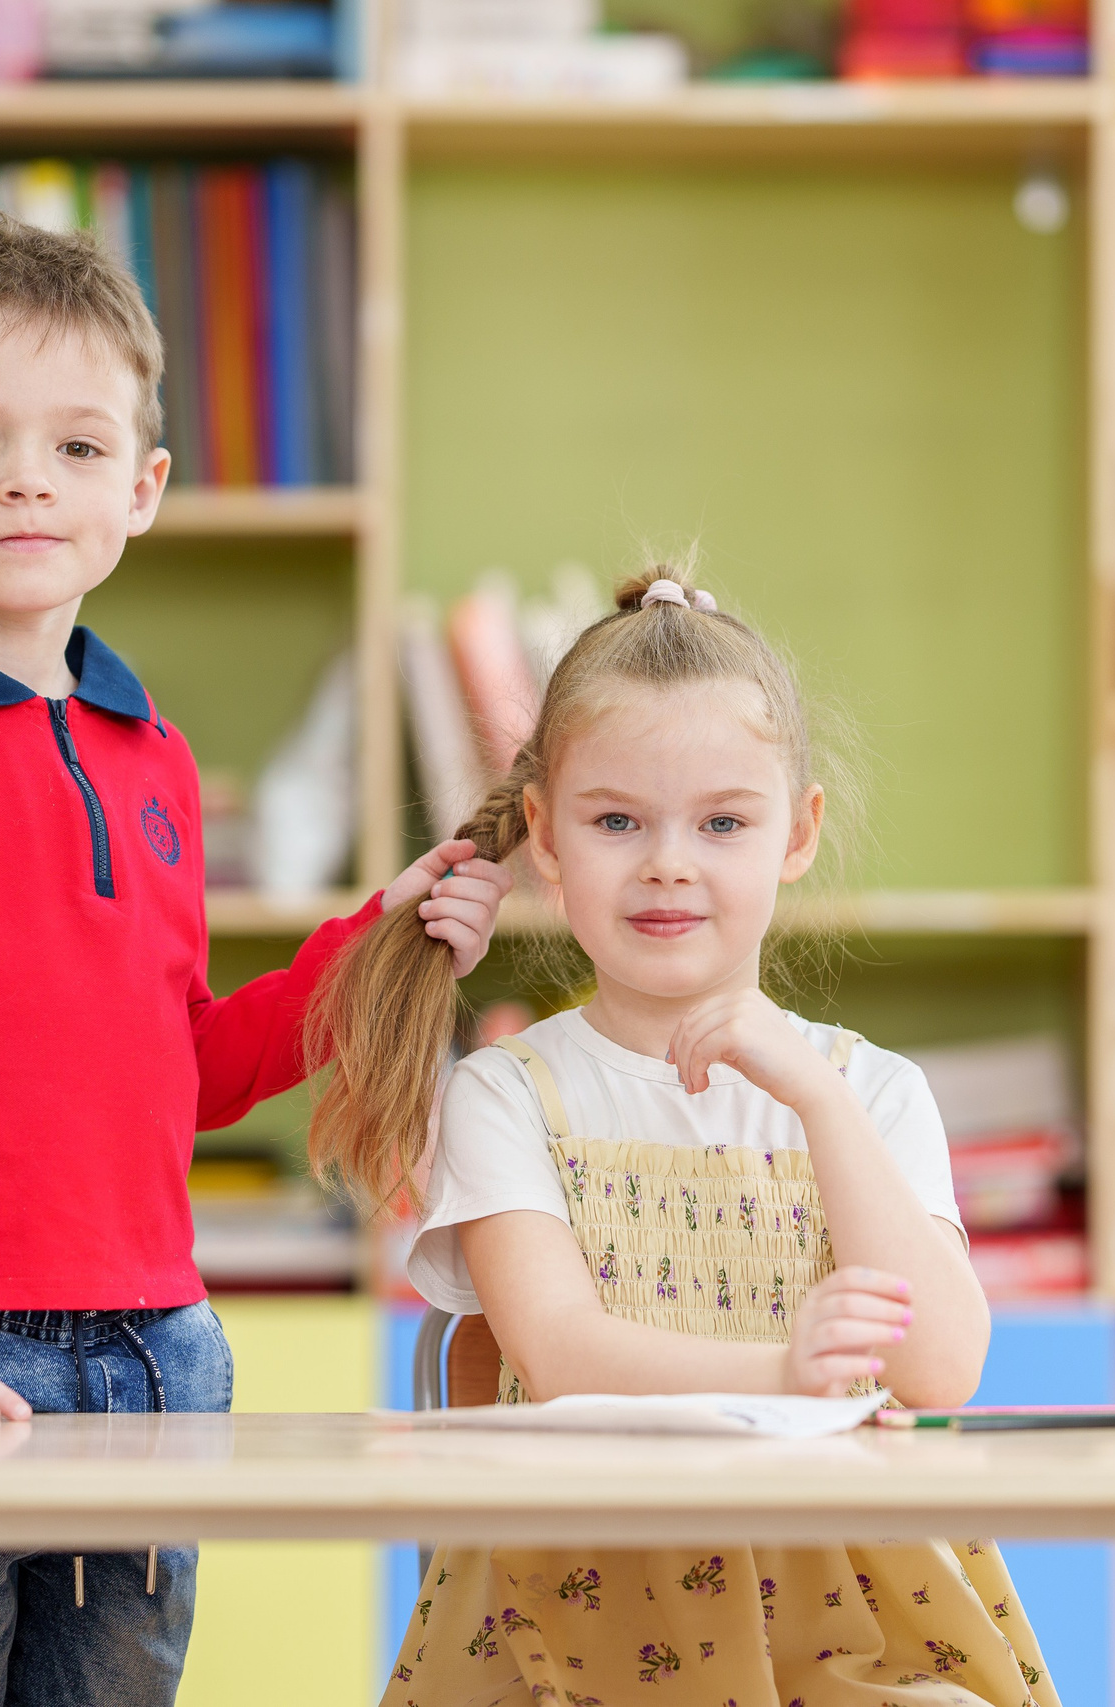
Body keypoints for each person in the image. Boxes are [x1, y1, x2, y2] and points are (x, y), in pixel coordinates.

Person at [0, 216, 514, 1706]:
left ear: (141, 491)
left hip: (154, 1358)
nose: (25, 480)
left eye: (75, 447)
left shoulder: (158, 756)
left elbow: (180, 1069)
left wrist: (373, 949)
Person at [309, 569, 1059, 1707]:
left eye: (722, 822)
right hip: (570, 1601)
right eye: (617, 822)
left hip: (839, 1604)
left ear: (795, 833)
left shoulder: (869, 1091)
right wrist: (785, 1380)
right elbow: (559, 1357)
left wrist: (815, 1100)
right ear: (547, 843)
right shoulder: (508, 1092)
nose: (669, 862)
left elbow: (942, 1366)